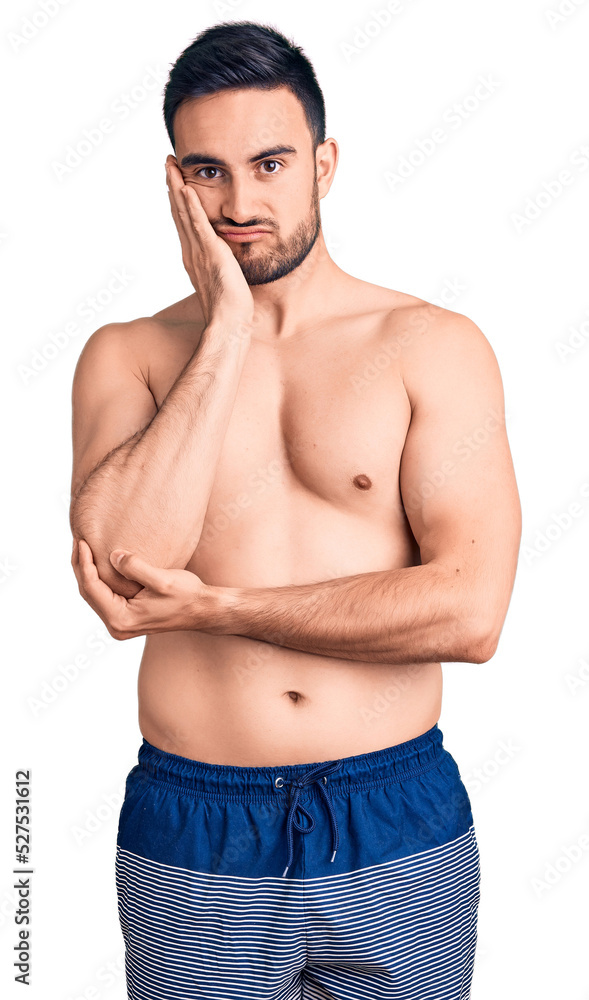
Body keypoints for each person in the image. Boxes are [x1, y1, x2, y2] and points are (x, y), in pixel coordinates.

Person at [69, 20, 521, 1000]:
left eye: (269, 162)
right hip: (195, 821)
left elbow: (469, 612)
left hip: (392, 806)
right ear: (174, 181)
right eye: (207, 171)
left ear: (323, 161)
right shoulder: (131, 355)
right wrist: (227, 325)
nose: (239, 202)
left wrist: (219, 609)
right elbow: (122, 574)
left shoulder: (428, 345)